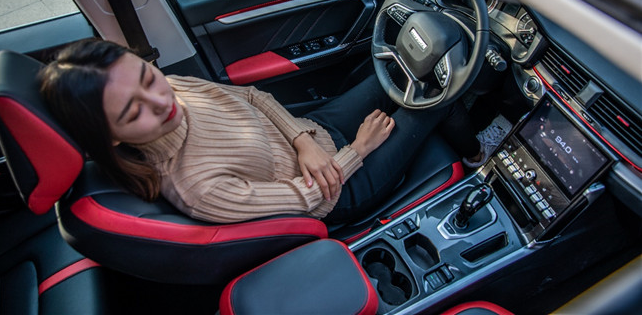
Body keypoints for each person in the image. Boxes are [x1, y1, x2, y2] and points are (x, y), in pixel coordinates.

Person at [38, 39, 502, 224]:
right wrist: (359, 149)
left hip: (315, 135)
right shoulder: (198, 189)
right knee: (441, 97)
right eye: (134, 111)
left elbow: (253, 97)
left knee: (399, 68)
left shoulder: (173, 86)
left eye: (147, 77)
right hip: (339, 188)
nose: (160, 100)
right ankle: (477, 152)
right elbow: (305, 198)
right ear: (112, 138)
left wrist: (302, 141)